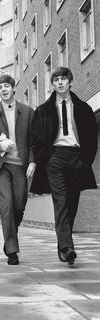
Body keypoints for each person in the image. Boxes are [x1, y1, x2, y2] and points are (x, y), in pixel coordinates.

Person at [30, 66, 98, 265]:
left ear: (70, 82)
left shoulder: (83, 108)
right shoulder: (43, 110)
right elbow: (35, 137)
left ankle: (63, 244)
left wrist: (86, 159)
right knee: (60, 202)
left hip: (77, 158)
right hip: (55, 158)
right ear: (53, 84)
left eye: (63, 79)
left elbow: (92, 136)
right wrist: (44, 158)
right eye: (56, 79)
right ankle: (67, 247)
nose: (59, 82)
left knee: (72, 203)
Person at [0, 75, 36, 265]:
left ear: (13, 88)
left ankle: (11, 234)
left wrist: (33, 162)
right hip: (0, 166)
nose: (3, 89)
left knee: (19, 204)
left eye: (6, 86)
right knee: (6, 205)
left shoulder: (28, 112)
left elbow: (32, 141)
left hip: (20, 165)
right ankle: (12, 250)